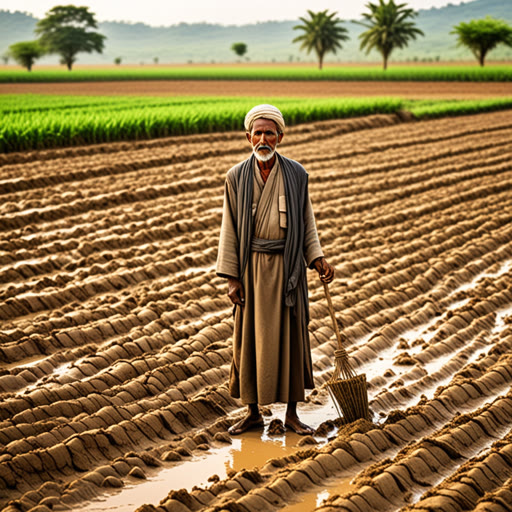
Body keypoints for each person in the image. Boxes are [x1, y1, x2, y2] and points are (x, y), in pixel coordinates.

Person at [216, 104, 334, 436]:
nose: (264, 139)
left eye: (270, 133)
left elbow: (306, 220)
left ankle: (293, 414)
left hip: (288, 268)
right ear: (248, 137)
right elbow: (229, 228)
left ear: (281, 136)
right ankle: (253, 413)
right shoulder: (236, 177)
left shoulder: (296, 174)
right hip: (251, 270)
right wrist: (231, 277)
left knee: (291, 339)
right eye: (258, 133)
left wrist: (317, 258)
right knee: (250, 339)